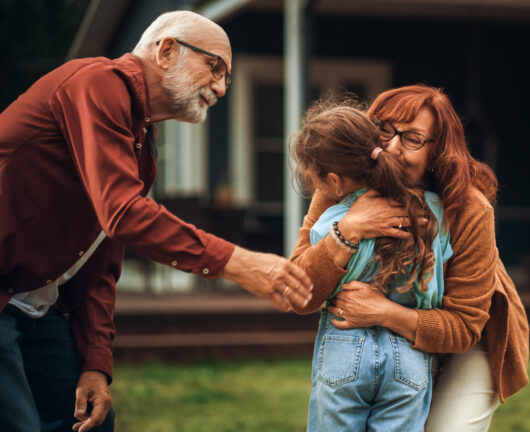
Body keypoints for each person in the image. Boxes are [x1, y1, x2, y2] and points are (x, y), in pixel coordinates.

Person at [0, 11, 312, 432]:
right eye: (214, 67)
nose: (221, 87)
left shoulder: (142, 140)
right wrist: (238, 263)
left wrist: (95, 363)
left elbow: (100, 261)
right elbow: (124, 213)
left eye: (227, 78)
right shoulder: (97, 83)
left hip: (36, 308)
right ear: (166, 51)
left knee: (94, 421)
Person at [289, 85, 529, 431]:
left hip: (470, 337)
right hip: (382, 343)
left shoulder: (469, 209)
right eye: (384, 130)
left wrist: (384, 312)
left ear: (437, 152)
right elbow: (298, 292)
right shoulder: (341, 179)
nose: (392, 147)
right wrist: (349, 229)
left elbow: (464, 327)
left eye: (413, 139)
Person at [291, 103, 452, 431]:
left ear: (334, 180)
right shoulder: (436, 212)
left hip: (344, 347)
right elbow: (436, 288)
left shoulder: (330, 223)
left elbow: (305, 284)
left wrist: (343, 236)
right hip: (410, 354)